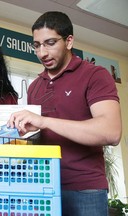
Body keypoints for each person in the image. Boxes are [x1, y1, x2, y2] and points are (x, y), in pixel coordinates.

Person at [7, 11, 122, 216]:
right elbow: (39, 136)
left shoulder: (95, 75)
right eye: (37, 45)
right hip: (44, 186)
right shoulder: (34, 87)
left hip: (85, 188)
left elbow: (111, 132)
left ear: (69, 41)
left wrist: (45, 121)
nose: (42, 53)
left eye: (50, 43)